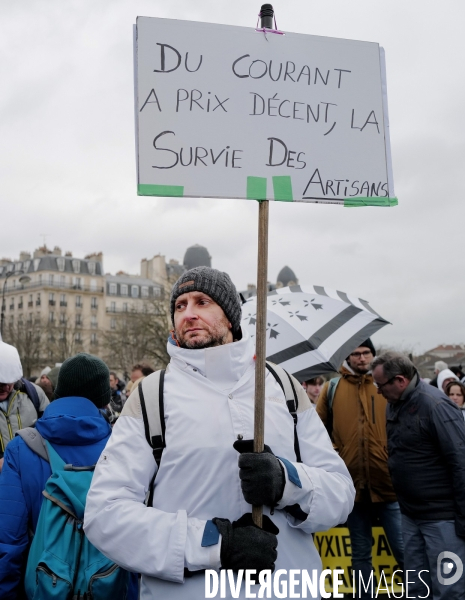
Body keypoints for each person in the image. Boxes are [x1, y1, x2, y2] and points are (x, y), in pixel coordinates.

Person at [84, 266, 355, 599]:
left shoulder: (281, 386)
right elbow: (105, 515)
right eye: (180, 305)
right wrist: (216, 544)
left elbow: (341, 494)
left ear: (230, 316)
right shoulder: (150, 396)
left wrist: (287, 481)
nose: (189, 313)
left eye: (202, 302)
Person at [0, 352, 138, 600]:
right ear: (104, 399)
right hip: (106, 585)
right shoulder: (122, 447)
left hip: (43, 585)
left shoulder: (20, 449)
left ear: (59, 391)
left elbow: (8, 542)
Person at [372, 351, 465, 600]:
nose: (378, 391)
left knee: (448, 590)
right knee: (417, 587)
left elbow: (460, 461)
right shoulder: (394, 405)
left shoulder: (435, 405)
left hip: (442, 518)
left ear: (400, 381)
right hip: (411, 514)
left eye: (380, 385)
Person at [316, 339, 404, 598]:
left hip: (387, 485)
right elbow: (317, 433)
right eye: (356, 354)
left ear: (373, 356)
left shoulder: (385, 387)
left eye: (366, 353)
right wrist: (335, 453)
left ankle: (420, 593)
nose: (362, 358)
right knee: (360, 552)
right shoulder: (332, 388)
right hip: (351, 487)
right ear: (347, 358)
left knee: (402, 548)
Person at [0, 341, 49, 472]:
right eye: (1, 382)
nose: (5, 387)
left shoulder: (34, 393)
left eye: (9, 381)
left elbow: (51, 433)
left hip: (30, 476)